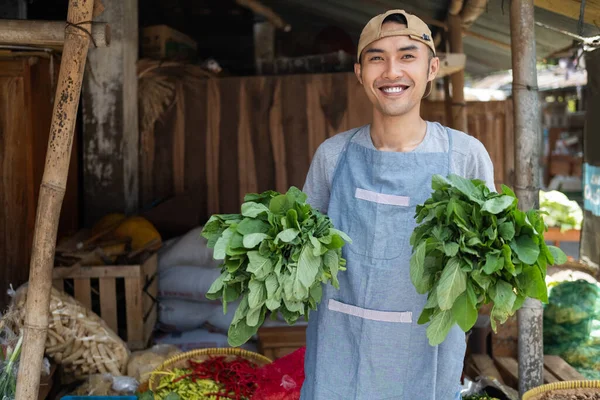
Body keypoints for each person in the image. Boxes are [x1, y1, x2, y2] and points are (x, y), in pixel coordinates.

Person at [300, 9, 495, 400]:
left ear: (432, 68)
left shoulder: (465, 157)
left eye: (407, 56)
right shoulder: (332, 157)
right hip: (340, 358)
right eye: (376, 58)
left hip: (425, 358)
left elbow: (486, 268)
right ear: (359, 73)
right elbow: (302, 255)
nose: (391, 71)